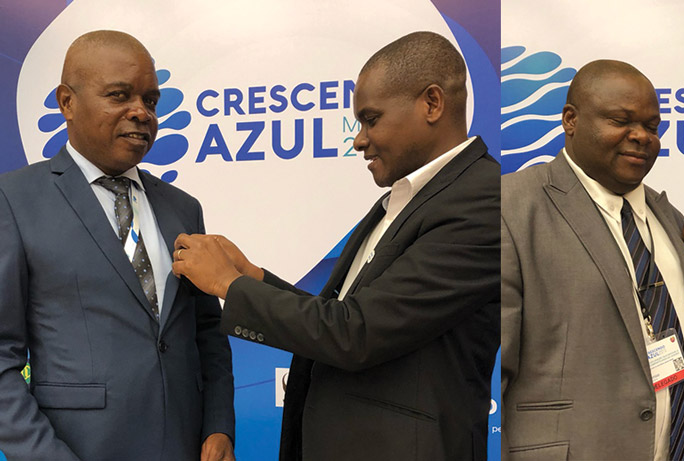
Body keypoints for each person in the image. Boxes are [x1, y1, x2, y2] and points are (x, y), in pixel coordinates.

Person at [171, 31, 500, 460]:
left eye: (371, 119)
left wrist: (230, 285)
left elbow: (354, 333)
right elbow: (341, 318)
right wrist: (254, 277)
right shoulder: (400, 200)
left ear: (432, 104)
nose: (359, 139)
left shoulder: (483, 200)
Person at [0, 31, 235, 460]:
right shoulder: (13, 201)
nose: (141, 113)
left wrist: (220, 427)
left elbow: (207, 334)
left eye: (151, 100)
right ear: (66, 102)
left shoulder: (183, 208)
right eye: (119, 95)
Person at [501, 59, 684, 460]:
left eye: (652, 126)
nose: (642, 136)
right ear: (570, 120)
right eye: (621, 120)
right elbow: (491, 369)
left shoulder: (667, 217)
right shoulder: (511, 207)